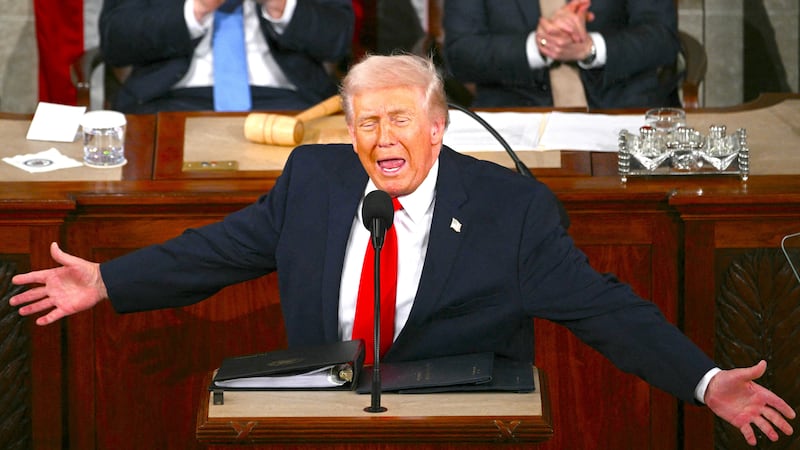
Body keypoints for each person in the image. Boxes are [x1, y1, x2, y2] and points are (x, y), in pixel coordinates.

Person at [10, 54, 795, 446]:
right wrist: (110, 280)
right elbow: (219, 250)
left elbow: (604, 308)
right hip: (322, 429)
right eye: (366, 123)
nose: (384, 139)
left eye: (400, 120)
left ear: (438, 127)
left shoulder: (509, 211)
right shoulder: (314, 179)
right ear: (348, 133)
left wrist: (704, 379)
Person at [99, 0, 354, 113]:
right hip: (167, 100)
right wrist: (197, 9)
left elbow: (337, 40)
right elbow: (116, 42)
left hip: (289, 102)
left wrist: (280, 5)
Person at [442, 0, 683, 108]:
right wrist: (539, 47)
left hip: (622, 106)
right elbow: (460, 54)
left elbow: (662, 38)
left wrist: (589, 48)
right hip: (517, 113)